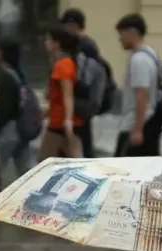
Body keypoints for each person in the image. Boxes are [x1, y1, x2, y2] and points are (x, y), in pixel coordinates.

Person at [114, 13, 162, 157]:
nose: (120, 39)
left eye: (122, 34)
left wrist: (137, 130)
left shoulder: (139, 60)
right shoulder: (151, 54)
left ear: (132, 32)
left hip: (138, 123)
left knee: (123, 170)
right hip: (148, 121)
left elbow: (142, 94)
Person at [37, 25, 83, 161]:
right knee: (74, 161)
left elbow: (67, 95)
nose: (45, 43)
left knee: (44, 162)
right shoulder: (62, 63)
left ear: (56, 44)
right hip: (60, 121)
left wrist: (68, 121)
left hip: (59, 123)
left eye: (48, 40)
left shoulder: (63, 65)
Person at [60, 8, 100, 158]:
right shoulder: (88, 44)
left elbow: (81, 76)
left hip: (81, 99)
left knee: (81, 144)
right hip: (86, 100)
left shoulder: (82, 45)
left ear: (74, 25)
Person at [0, 38, 36, 175]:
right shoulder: (20, 75)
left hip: (9, 130)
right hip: (21, 128)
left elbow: (5, 108)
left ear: (3, 53)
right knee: (26, 168)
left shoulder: (6, 77)